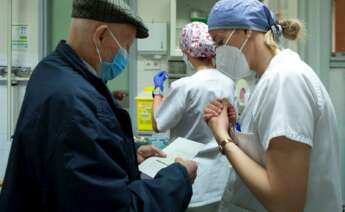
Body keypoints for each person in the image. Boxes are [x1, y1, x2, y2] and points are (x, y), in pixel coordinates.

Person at [0, 0, 197, 211]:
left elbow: (78, 168)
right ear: (100, 35)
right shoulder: (75, 103)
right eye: (126, 47)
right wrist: (178, 178)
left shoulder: (51, 70)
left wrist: (127, 156)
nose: (125, 57)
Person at [203, 0, 343, 211]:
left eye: (220, 42)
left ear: (246, 31)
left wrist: (224, 140)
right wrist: (234, 136)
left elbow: (285, 203)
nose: (217, 55)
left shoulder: (286, 81)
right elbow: (267, 159)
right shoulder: (268, 79)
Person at [151, 22, 236, 212]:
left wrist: (157, 91)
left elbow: (157, 124)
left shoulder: (184, 86)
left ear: (187, 52)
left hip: (192, 178)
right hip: (221, 179)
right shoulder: (228, 82)